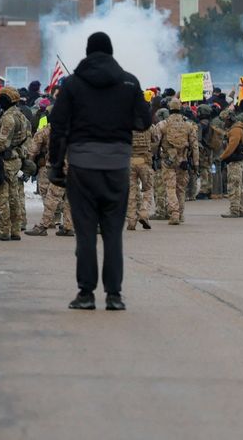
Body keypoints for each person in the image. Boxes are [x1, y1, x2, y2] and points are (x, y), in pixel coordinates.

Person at [48, 31, 150, 312]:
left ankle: (86, 294)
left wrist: (56, 166)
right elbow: (143, 121)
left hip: (82, 166)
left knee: (85, 233)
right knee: (113, 233)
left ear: (88, 51)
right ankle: (114, 295)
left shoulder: (72, 84)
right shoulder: (129, 82)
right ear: (111, 51)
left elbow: (58, 127)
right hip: (117, 165)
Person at [0, 87, 31, 241]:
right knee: (14, 197)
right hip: (16, 160)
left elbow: (3, 143)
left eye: (1, 99)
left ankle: (3, 229)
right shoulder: (20, 115)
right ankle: (15, 229)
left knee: (1, 196)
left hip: (5, 161)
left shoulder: (8, 118)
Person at [151, 99, 198, 226]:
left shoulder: (163, 124)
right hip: (183, 160)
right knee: (181, 188)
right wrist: (196, 163)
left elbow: (155, 143)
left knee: (170, 187)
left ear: (169, 109)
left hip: (168, 160)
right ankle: (181, 214)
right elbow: (195, 146)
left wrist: (153, 157)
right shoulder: (188, 125)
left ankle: (174, 214)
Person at [218, 108, 243, 218]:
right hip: (238, 160)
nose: (224, 123)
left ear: (229, 119)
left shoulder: (235, 130)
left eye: (225, 120)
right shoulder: (238, 128)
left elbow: (231, 147)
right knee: (239, 185)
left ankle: (234, 210)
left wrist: (222, 157)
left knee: (233, 185)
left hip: (235, 160)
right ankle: (239, 209)